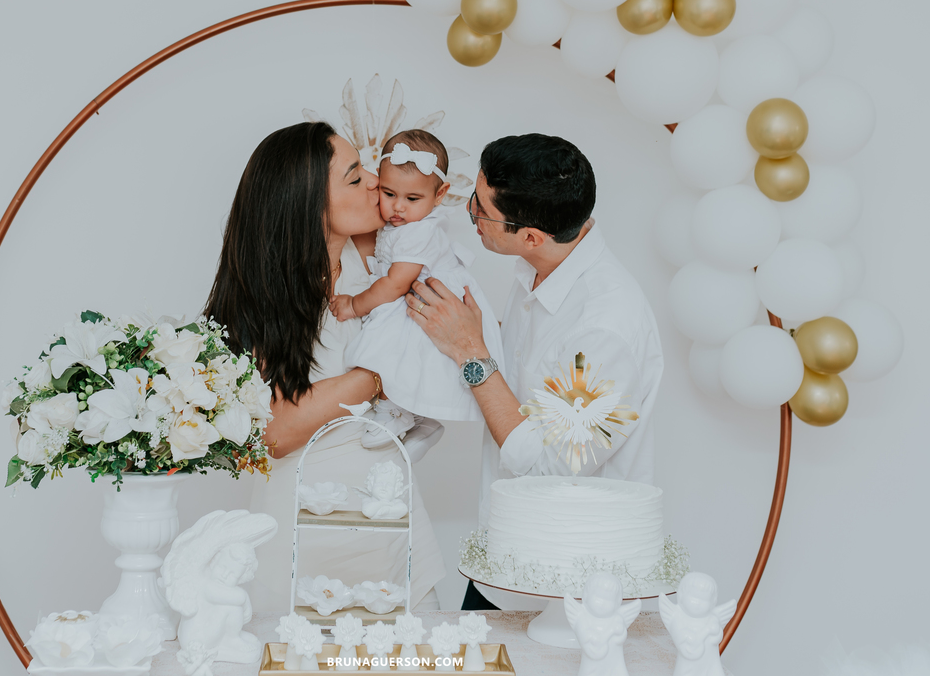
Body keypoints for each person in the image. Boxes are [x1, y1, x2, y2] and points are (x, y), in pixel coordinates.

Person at [404, 133, 664, 611]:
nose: (469, 216)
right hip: (504, 558)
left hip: (568, 585)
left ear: (530, 236)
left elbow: (551, 467)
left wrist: (470, 351)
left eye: (480, 210)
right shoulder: (538, 269)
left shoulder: (606, 329)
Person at [204, 121, 446, 613]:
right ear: (307, 201)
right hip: (303, 530)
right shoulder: (264, 294)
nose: (375, 185)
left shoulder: (384, 263)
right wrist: (374, 377)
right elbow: (277, 429)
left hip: (392, 524)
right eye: (355, 177)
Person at [330, 129, 503, 450]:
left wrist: (354, 305)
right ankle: (418, 420)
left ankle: (398, 411)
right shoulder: (401, 224)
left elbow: (396, 283)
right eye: (388, 193)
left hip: (422, 299)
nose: (397, 207)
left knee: (387, 349)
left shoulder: (419, 232)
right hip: (408, 296)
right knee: (400, 358)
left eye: (412, 199)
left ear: (440, 195)